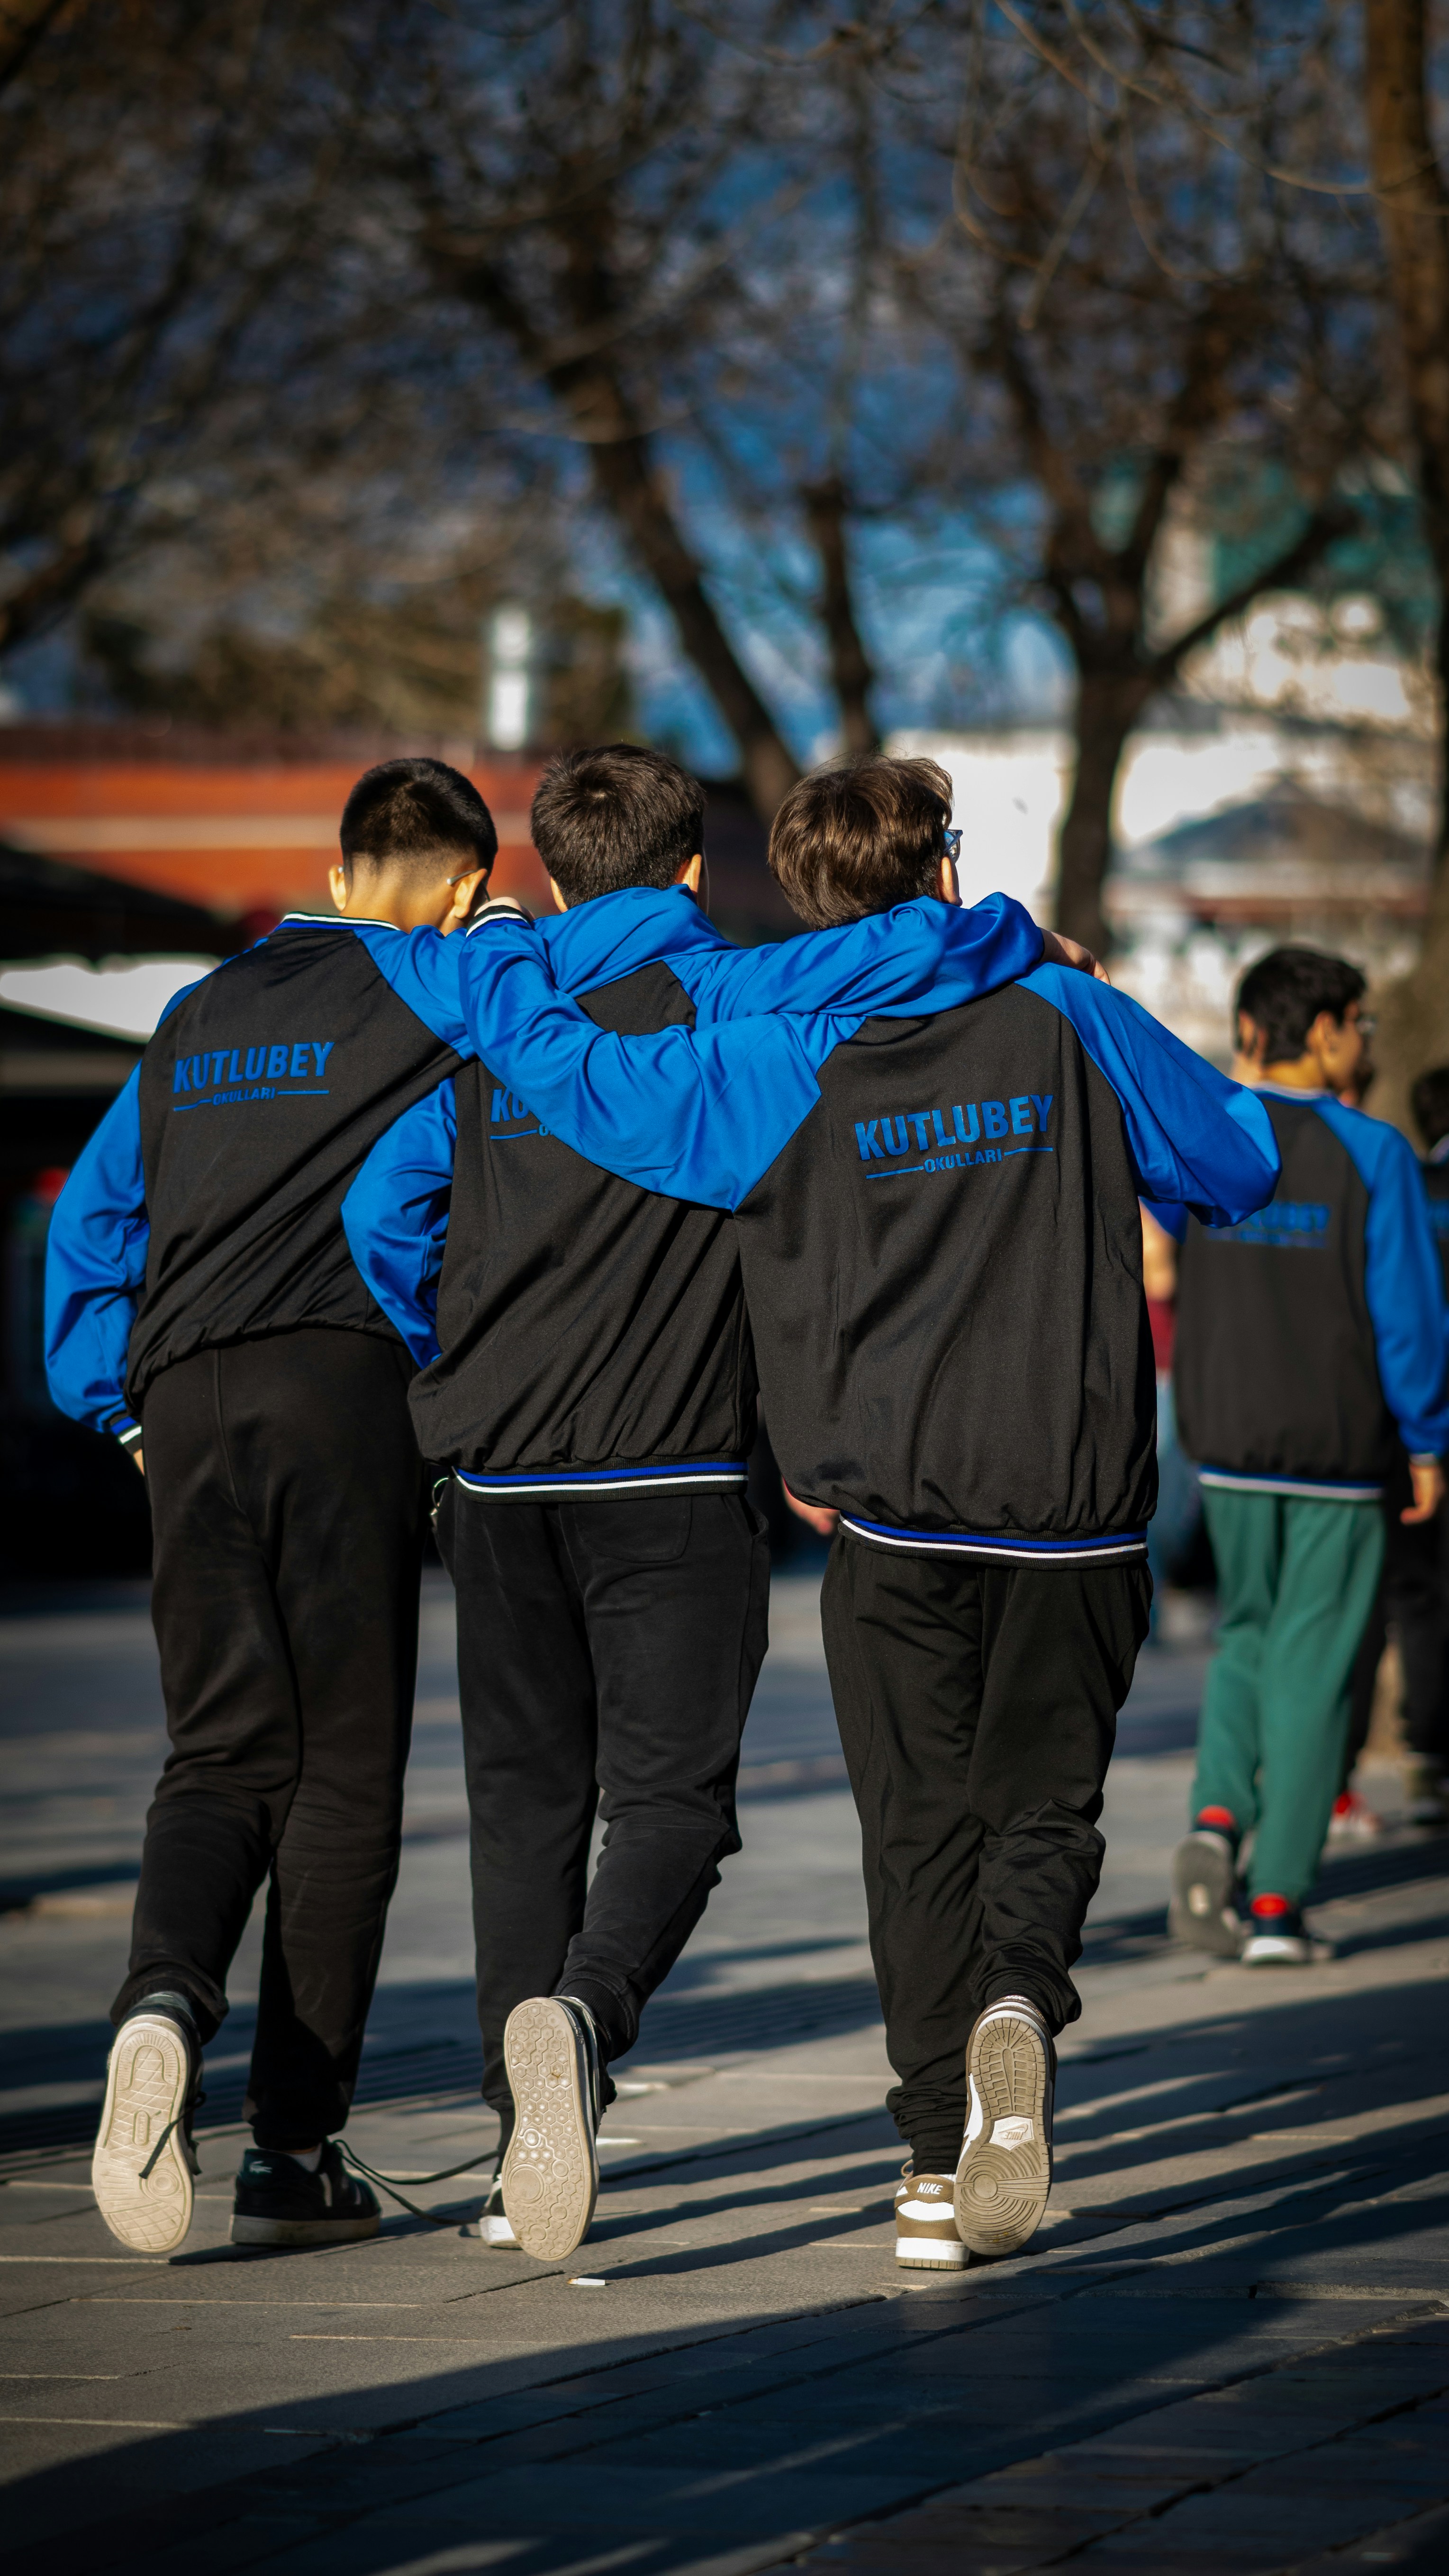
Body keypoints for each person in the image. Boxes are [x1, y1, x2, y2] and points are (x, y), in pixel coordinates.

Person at [420, 751, 1279, 2270]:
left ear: (795, 893)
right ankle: (1021, 1999)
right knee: (1043, 1805)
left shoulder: (781, 1044)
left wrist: (494, 956)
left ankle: (929, 2164)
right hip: (1071, 1503)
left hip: (882, 1510)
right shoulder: (1068, 1011)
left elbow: (599, 1090)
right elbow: (1241, 1161)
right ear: (946, 865)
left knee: (912, 1839)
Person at [44, 758, 497, 2255]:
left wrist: (113, 1402)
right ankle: (292, 2146)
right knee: (346, 1770)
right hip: (338, 1389)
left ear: (349, 857)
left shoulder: (197, 1014)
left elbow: (94, 1217)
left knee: (221, 1748)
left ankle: (162, 1998)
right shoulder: (443, 983)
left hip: (179, 1397)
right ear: (457, 878)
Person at [1165, 949, 1448, 1968]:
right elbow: (1406, 1316)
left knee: (1245, 1637)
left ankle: (1213, 1815)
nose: (1364, 1042)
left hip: (1226, 1439)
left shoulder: (1201, 1138)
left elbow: (1158, 1261)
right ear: (1323, 1031)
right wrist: (1426, 1438)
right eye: (1359, 1024)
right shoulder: (1372, 1153)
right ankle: (1277, 1897)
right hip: (1337, 1447)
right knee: (1317, 1664)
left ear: (1250, 1031)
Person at [1337, 1060, 1449, 1833]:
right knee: (1425, 1601)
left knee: (1385, 1600)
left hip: (1373, 1424)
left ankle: (1352, 1774)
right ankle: (1429, 1760)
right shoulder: (1385, 1166)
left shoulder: (1397, 1172)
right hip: (1419, 1429)